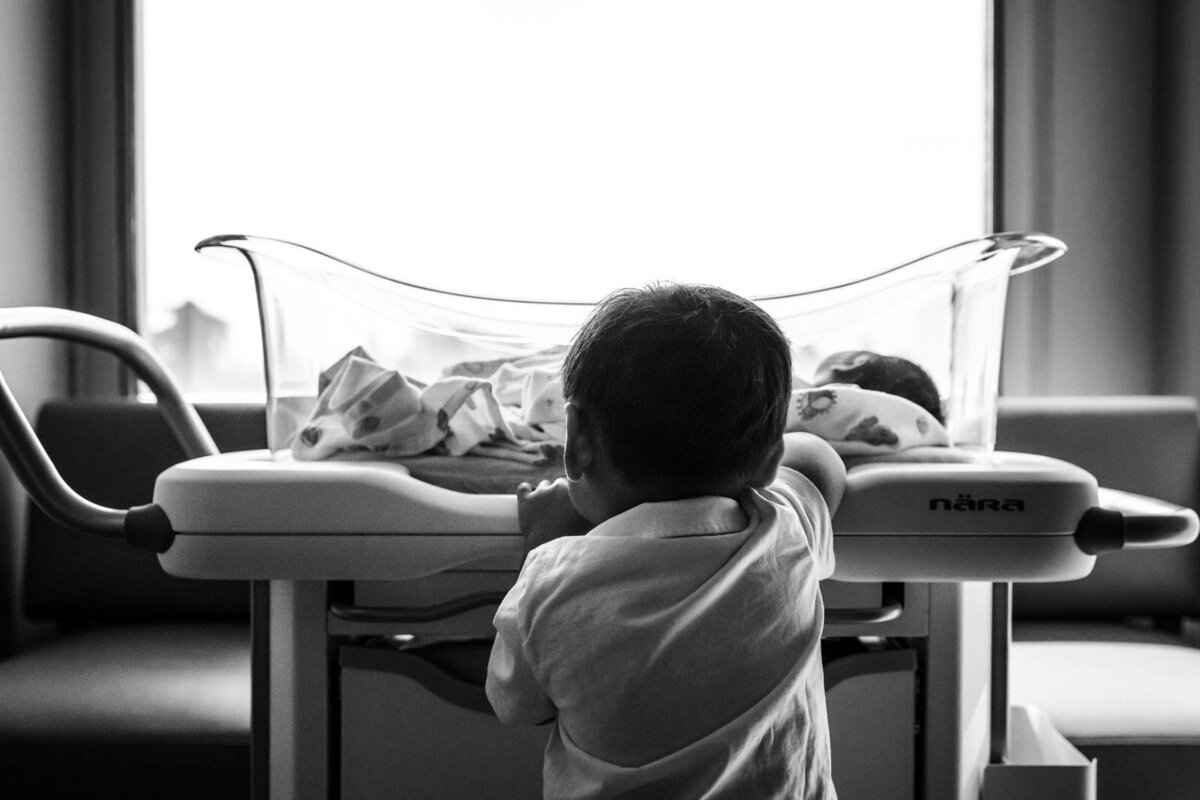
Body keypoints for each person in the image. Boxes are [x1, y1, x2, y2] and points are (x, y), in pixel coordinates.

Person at [486, 283, 846, 799]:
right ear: (769, 461)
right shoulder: (782, 528)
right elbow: (819, 461)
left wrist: (541, 544)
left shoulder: (550, 583)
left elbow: (518, 706)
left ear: (576, 440)